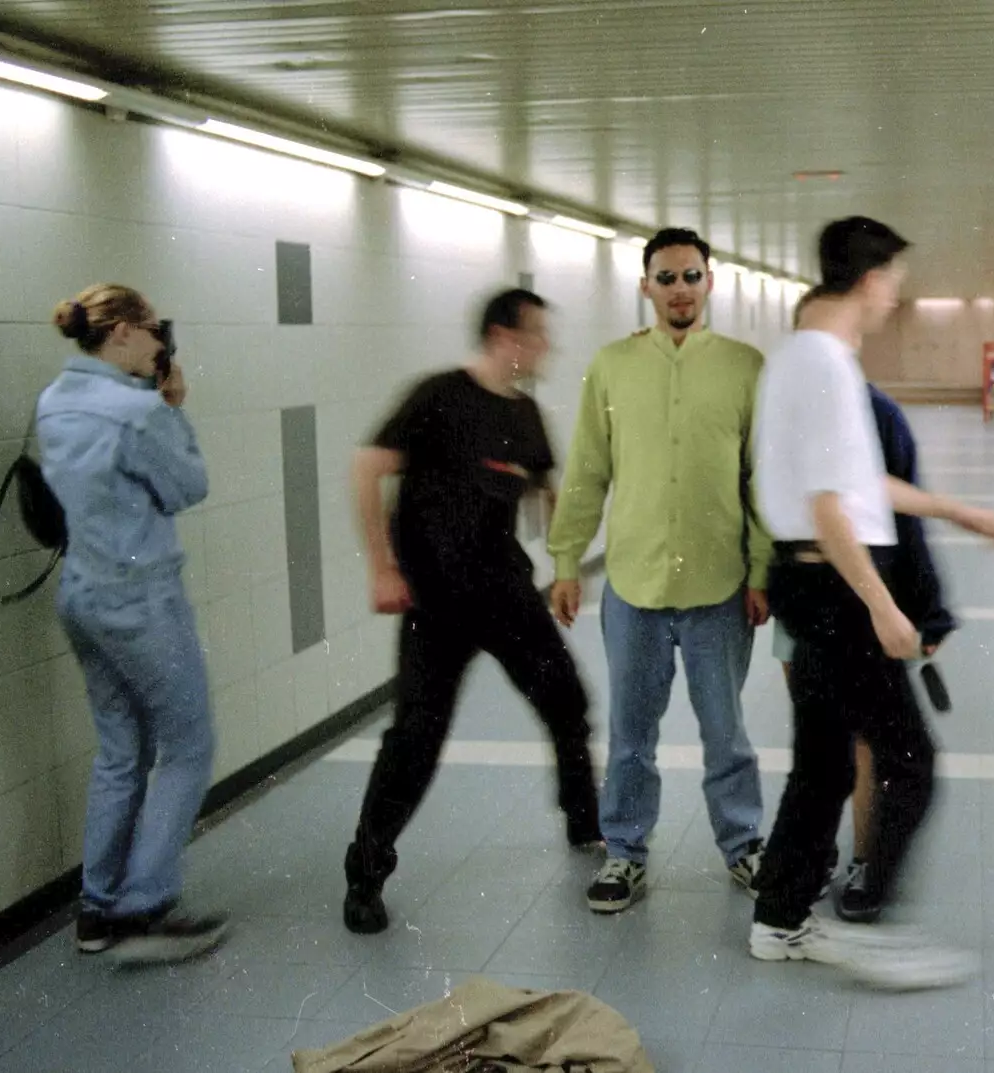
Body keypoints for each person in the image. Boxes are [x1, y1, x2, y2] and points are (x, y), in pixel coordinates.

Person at [749, 216, 994, 989]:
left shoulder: (802, 358)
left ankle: (780, 918)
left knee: (824, 763)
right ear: (868, 280)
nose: (896, 294)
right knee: (908, 760)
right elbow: (831, 507)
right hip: (836, 587)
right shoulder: (827, 368)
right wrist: (884, 608)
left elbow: (860, 487)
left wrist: (955, 510)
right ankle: (878, 921)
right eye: (894, 279)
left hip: (815, 580)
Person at [341, 287, 601, 934]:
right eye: (537, 334)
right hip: (436, 600)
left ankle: (585, 821)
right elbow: (366, 468)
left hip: (505, 591)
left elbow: (547, 493)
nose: (546, 347)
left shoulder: (528, 415)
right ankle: (366, 876)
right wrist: (382, 566)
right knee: (415, 740)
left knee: (566, 700)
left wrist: (566, 554)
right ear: (504, 337)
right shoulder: (438, 396)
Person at [547, 228, 770, 914]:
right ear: (645, 287)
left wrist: (762, 568)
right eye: (666, 278)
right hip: (633, 587)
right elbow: (586, 470)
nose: (679, 289)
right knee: (631, 734)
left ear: (710, 283)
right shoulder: (612, 366)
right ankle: (624, 852)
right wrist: (564, 559)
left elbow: (759, 477)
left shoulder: (744, 366)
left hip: (719, 586)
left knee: (725, 731)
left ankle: (744, 843)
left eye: (691, 276)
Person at [36, 284, 229, 966]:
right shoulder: (139, 410)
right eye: (152, 333)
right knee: (188, 743)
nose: (159, 347)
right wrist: (173, 406)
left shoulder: (55, 400)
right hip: (141, 600)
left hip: (82, 596)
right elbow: (187, 487)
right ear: (120, 331)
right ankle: (144, 904)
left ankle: (97, 906)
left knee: (121, 749)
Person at [770, 295, 958, 925]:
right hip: (814, 604)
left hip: (862, 610)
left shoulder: (874, 414)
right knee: (828, 753)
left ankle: (854, 865)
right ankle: (808, 882)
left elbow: (898, 521)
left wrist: (922, 611)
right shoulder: (789, 408)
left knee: (854, 752)